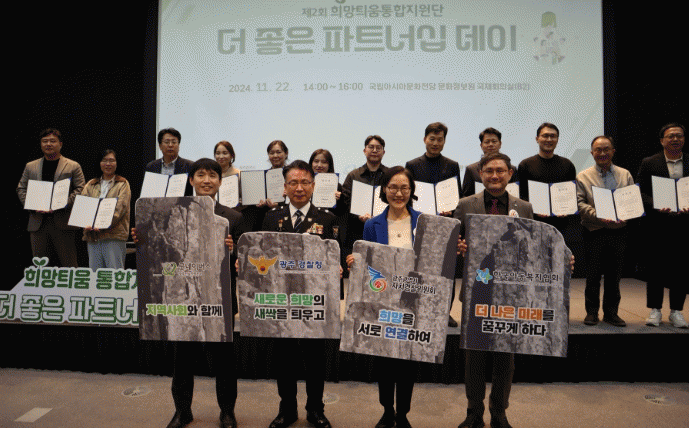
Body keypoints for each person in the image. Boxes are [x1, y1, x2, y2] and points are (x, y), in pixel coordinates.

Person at [137, 158, 243, 428]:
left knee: (224, 361)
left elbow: (244, 261)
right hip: (182, 297)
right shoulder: (174, 213)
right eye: (201, 175)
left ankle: (227, 412)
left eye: (212, 176)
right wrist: (142, 240)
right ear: (191, 180)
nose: (207, 180)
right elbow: (161, 251)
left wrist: (233, 251)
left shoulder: (233, 217)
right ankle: (182, 411)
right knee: (182, 359)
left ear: (220, 182)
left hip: (218, 299)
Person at [454, 153, 533, 428]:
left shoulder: (524, 207)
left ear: (510, 173)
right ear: (481, 174)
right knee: (474, 359)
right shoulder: (466, 204)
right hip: (477, 290)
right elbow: (455, 242)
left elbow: (532, 247)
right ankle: (474, 412)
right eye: (489, 171)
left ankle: (499, 412)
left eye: (500, 171)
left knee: (505, 360)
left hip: (510, 294)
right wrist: (458, 247)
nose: (495, 176)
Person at [261, 160, 336, 428]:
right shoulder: (271, 218)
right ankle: (287, 409)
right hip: (282, 300)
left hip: (314, 302)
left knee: (315, 358)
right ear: (285, 187)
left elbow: (336, 257)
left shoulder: (327, 219)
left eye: (305, 182)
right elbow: (263, 254)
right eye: (293, 182)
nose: (299, 188)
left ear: (313, 186)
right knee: (284, 358)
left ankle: (315, 409)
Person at [346, 166, 420, 428]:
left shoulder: (423, 222)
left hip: (413, 302)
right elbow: (367, 263)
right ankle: (388, 410)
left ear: (411, 191)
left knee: (408, 361)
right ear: (384, 190)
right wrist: (356, 261)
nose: (398, 193)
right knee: (384, 360)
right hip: (382, 301)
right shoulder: (372, 225)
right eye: (393, 188)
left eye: (404, 188)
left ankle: (403, 413)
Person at [405, 122, 461, 327]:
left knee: (446, 269)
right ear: (424, 139)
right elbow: (408, 193)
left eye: (440, 139)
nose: (435, 143)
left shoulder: (452, 165)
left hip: (445, 224)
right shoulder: (412, 165)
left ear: (444, 141)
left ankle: (445, 312)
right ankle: (417, 308)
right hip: (420, 223)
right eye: (432, 139)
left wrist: (451, 208)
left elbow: (457, 194)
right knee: (420, 268)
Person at [576, 136, 633, 327]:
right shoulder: (583, 176)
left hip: (618, 230)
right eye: (598, 150)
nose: (602, 153)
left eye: (606, 149)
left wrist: (627, 214)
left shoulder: (625, 174)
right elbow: (580, 203)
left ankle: (611, 313)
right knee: (592, 276)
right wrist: (599, 215)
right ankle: (592, 313)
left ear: (613, 151)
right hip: (594, 230)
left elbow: (631, 200)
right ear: (592, 153)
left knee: (613, 276)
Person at [637, 123, 689, 328]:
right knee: (655, 268)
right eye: (670, 136)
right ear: (662, 141)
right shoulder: (650, 162)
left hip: (684, 224)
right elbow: (640, 192)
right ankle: (655, 310)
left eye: (679, 136)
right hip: (658, 224)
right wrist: (656, 205)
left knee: (681, 268)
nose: (675, 139)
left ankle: (676, 311)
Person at [17, 128, 85, 267]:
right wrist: (32, 205)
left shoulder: (73, 165)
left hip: (63, 221)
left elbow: (81, 189)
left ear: (60, 144)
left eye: (52, 141)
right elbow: (21, 188)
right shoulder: (31, 166)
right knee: (40, 266)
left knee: (69, 266)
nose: (48, 144)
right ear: (41, 144)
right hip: (38, 222)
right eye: (45, 141)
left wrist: (62, 204)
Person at [516, 123, 577, 232]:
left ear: (557, 139)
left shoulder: (567, 165)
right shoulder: (525, 165)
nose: (549, 139)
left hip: (561, 225)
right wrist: (533, 209)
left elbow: (572, 194)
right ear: (537, 139)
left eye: (553, 136)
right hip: (533, 225)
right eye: (545, 136)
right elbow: (521, 196)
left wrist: (567, 209)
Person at [341, 135, 390, 266]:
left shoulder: (390, 175)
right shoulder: (353, 175)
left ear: (383, 152)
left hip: (383, 230)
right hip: (357, 231)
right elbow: (345, 201)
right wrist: (358, 216)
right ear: (364, 150)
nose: (374, 150)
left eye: (378, 148)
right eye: (371, 147)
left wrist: (378, 217)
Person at [81, 149, 131, 270]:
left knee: (115, 273)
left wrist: (101, 224)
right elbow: (83, 207)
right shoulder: (91, 184)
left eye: (111, 160)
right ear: (99, 163)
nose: (108, 164)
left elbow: (120, 209)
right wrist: (85, 222)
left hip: (113, 235)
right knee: (95, 274)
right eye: (104, 160)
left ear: (117, 163)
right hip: (93, 236)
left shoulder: (123, 184)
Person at [462, 128, 516, 197]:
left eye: (494, 141)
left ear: (500, 144)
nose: (490, 144)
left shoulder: (511, 168)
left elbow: (516, 193)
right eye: (487, 142)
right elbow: (465, 196)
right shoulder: (471, 169)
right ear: (481, 145)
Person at [145, 127, 194, 195]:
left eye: (174, 142)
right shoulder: (151, 167)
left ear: (178, 145)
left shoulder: (189, 166)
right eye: (167, 142)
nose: (170, 145)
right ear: (160, 146)